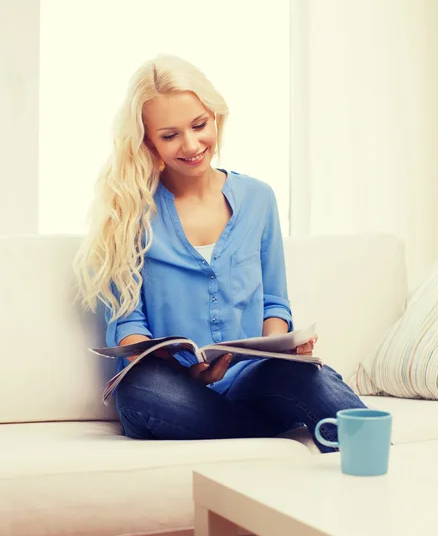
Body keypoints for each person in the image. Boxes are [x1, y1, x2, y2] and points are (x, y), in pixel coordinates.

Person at [74, 53, 366, 453]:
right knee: (141, 389)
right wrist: (188, 373)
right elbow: (128, 325)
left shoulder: (258, 198)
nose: (192, 145)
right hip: (172, 388)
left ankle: (372, 478)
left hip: (251, 379)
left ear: (216, 118)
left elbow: (276, 305)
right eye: (170, 134)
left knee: (312, 379)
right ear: (148, 141)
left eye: (199, 125)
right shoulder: (128, 212)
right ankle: (269, 431)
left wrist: (282, 349)